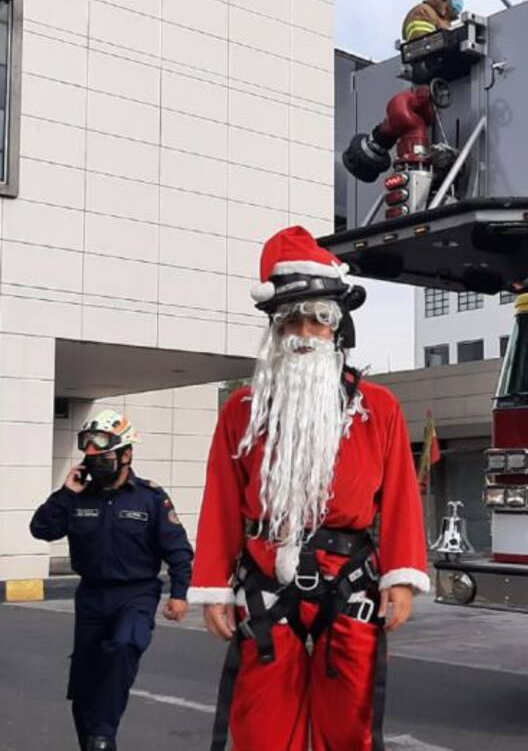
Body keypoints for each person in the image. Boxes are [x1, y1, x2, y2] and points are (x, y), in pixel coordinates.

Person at [188, 225, 429, 751]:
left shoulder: (378, 408)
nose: (304, 332)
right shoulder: (243, 411)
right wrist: (212, 586)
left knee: (351, 728)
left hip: (350, 583)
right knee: (261, 730)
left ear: (337, 329)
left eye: (318, 320)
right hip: (264, 581)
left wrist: (401, 577)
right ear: (275, 330)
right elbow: (222, 502)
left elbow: (403, 500)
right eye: (291, 320)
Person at [29, 410, 193, 751]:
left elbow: (178, 550)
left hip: (136, 594)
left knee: (123, 646)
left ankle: (102, 734)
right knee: (85, 685)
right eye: (91, 457)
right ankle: (95, 742)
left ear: (126, 454)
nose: (96, 463)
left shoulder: (150, 498)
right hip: (90, 596)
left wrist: (179, 594)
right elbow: (41, 529)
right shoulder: (77, 497)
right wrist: (66, 493)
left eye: (104, 457)